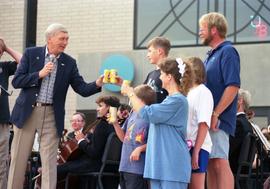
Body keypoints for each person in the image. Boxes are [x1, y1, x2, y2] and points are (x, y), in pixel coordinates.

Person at [8, 23, 103, 189]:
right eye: (62, 38)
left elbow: (81, 89)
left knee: (50, 162)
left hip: (52, 114)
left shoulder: (69, 62)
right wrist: (39, 74)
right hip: (27, 113)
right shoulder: (31, 54)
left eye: (67, 39)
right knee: (19, 160)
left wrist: (97, 83)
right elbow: (16, 81)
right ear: (50, 39)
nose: (65, 42)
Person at [122, 57, 192, 189]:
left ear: (169, 77)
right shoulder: (168, 100)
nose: (159, 76)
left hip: (171, 166)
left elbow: (146, 113)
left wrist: (131, 93)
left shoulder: (178, 101)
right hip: (160, 166)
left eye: (162, 73)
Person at [199, 12, 241, 189]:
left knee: (219, 161)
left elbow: (233, 86)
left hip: (219, 119)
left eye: (202, 28)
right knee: (210, 163)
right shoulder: (210, 55)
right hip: (208, 118)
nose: (199, 32)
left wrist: (216, 113)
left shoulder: (228, 52)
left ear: (214, 30)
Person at [57, 95, 120, 188]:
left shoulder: (102, 125)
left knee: (57, 169)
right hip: (111, 167)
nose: (97, 109)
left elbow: (94, 153)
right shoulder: (115, 125)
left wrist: (81, 140)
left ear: (109, 108)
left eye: (100, 106)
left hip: (96, 164)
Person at [111, 85, 156, 189]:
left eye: (133, 97)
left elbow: (155, 142)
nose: (131, 100)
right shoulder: (133, 113)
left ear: (140, 100)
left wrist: (140, 148)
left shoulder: (150, 116)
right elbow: (123, 138)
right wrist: (115, 124)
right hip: (124, 165)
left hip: (138, 169)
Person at [185, 57, 213, 189]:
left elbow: (203, 123)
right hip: (187, 145)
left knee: (196, 186)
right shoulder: (189, 92)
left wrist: (196, 151)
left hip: (198, 146)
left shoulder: (203, 92)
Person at [0, 38, 22, 189]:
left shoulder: (4, 67)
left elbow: (24, 62)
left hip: (2, 122)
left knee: (2, 164)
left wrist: (7, 48)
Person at [229, 89, 253, 174]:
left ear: (240, 101)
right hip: (240, 171)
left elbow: (227, 149)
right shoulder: (247, 123)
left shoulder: (238, 123)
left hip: (232, 169)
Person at [143, 36, 170, 103]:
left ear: (159, 51)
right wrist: (122, 84)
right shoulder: (151, 74)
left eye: (150, 51)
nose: (147, 55)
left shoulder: (170, 73)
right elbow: (140, 94)